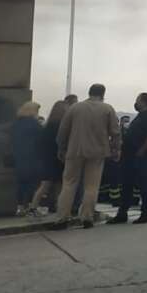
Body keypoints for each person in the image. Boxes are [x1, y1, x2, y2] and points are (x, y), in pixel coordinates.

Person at [52, 84, 120, 230]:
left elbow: (63, 131)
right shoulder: (107, 109)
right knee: (91, 186)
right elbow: (115, 132)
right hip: (98, 152)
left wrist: (61, 148)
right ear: (103, 94)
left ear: (89, 92)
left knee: (69, 184)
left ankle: (62, 218)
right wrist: (116, 150)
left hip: (75, 150)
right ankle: (87, 217)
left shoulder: (75, 108)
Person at [108, 92, 147, 225]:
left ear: (144, 102)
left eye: (137, 100)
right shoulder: (140, 116)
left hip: (141, 156)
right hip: (129, 156)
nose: (136, 103)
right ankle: (122, 213)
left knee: (143, 185)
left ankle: (145, 214)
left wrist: (142, 150)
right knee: (127, 185)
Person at [29, 100, 69, 215]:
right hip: (58, 159)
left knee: (46, 185)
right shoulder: (61, 126)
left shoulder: (48, 126)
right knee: (57, 185)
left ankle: (34, 206)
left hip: (48, 159)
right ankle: (55, 206)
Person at [11, 101, 42, 216]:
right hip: (33, 157)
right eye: (37, 110)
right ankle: (30, 206)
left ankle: (19, 208)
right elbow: (40, 140)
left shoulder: (16, 124)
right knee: (32, 184)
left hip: (19, 157)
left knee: (21, 183)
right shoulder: (34, 124)